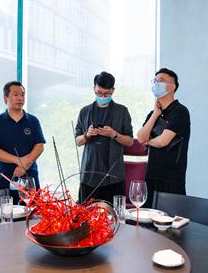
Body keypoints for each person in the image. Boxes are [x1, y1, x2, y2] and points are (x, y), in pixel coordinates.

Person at [75, 72, 134, 204]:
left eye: (106, 94)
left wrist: (114, 134)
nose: (102, 96)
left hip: (114, 176)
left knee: (115, 214)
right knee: (86, 214)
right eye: (99, 93)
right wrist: (87, 135)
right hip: (89, 174)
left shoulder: (122, 111)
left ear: (113, 90)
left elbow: (130, 141)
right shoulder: (85, 111)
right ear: (94, 89)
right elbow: (78, 141)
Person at [136, 68, 191, 207]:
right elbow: (141, 138)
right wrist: (155, 114)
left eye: (160, 81)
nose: (156, 84)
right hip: (151, 175)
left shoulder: (180, 111)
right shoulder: (153, 113)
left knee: (170, 218)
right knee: (148, 217)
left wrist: (149, 141)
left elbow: (163, 141)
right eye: (154, 81)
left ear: (172, 87)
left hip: (171, 178)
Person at [0, 81, 45, 195]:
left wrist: (24, 165)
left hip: (29, 175)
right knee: (5, 205)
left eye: (22, 95)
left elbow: (39, 146)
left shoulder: (33, 121)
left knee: (31, 205)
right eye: (15, 94)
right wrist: (18, 160)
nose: (20, 98)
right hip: (4, 176)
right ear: (6, 98)